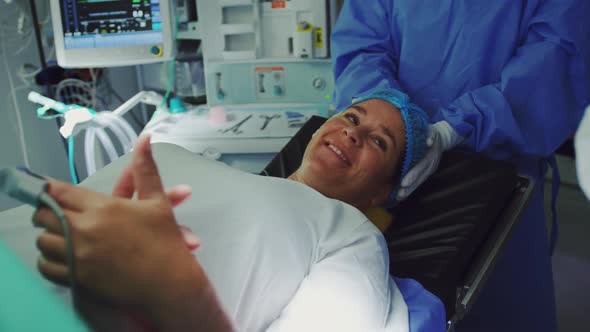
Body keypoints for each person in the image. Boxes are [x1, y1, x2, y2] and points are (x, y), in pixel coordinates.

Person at [32, 90, 437, 331]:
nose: (353, 132)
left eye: (378, 142)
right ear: (317, 129)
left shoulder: (351, 236)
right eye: (351, 117)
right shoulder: (170, 156)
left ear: (381, 194)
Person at [331, 1, 590, 331]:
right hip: (390, 168)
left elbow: (559, 55)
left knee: (499, 304)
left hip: (499, 176)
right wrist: (393, 123)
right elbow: (361, 43)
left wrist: (457, 128)